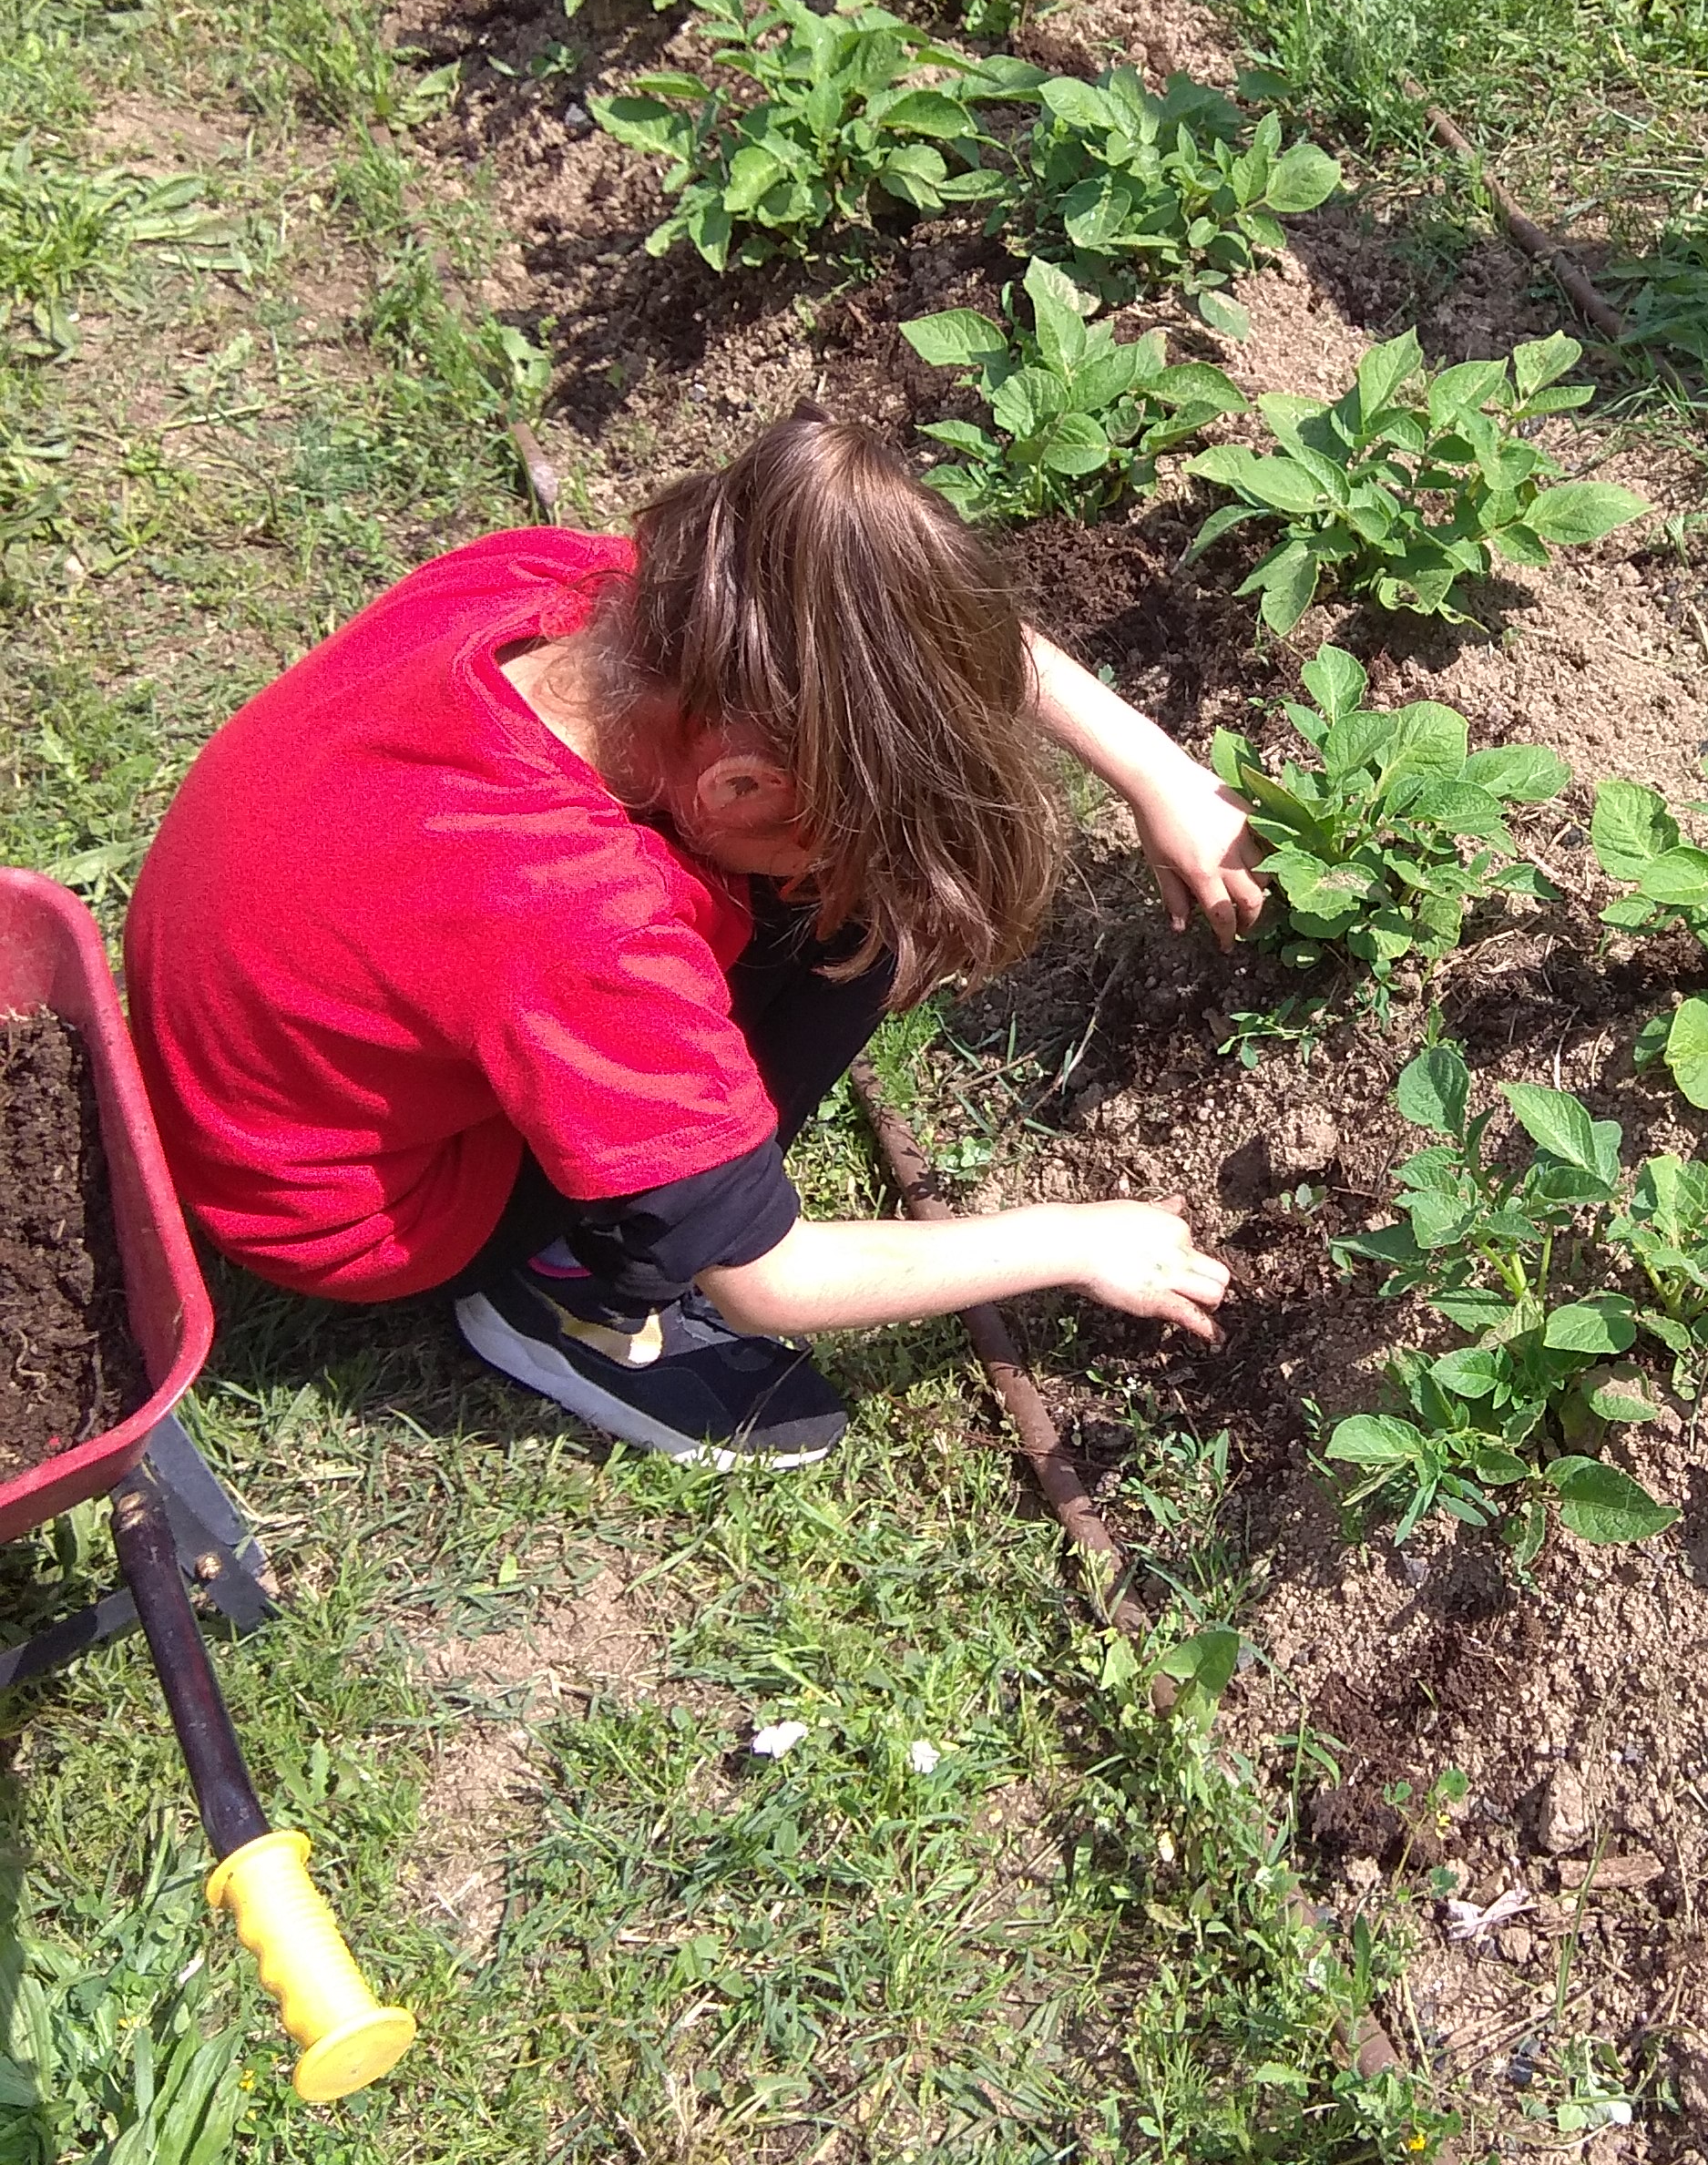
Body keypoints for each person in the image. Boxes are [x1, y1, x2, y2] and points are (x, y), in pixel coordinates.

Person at [125, 409, 1252, 1469]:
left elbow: (876, 608)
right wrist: (1081, 1241)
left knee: (841, 879)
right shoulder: (575, 914)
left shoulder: (574, 591)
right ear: (740, 785)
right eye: (824, 828)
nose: (828, 853)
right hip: (349, 1205)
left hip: (254, 1070)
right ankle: (576, 1294)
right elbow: (773, 1277)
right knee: (865, 913)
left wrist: (1157, 772)